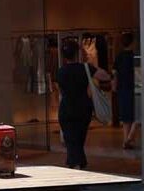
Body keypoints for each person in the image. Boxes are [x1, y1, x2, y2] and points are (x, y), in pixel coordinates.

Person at [55, 38, 111, 169]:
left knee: (71, 140)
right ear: (77, 53)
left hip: (66, 110)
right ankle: (78, 164)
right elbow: (104, 76)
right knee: (79, 139)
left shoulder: (61, 71)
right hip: (82, 109)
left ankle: (75, 164)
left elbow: (61, 90)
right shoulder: (85, 68)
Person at [113, 32, 138, 149]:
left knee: (125, 118)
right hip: (133, 89)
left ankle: (126, 140)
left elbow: (115, 74)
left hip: (121, 89)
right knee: (137, 116)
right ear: (132, 43)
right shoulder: (135, 57)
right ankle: (129, 139)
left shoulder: (118, 57)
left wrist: (114, 88)